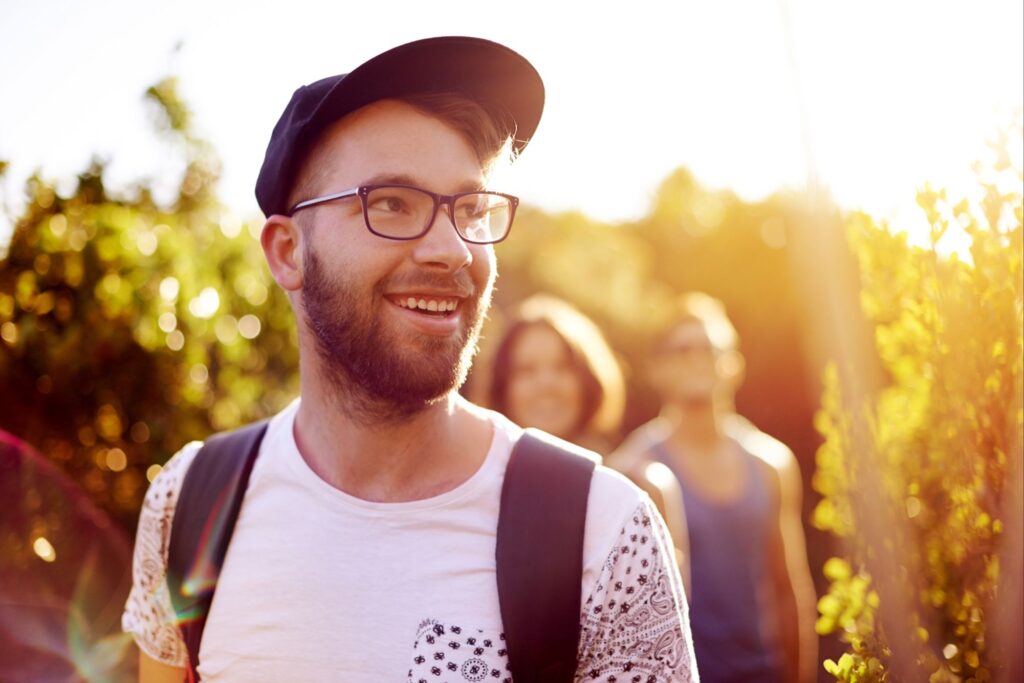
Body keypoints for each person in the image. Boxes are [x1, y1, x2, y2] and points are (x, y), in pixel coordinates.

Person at [122, 37, 698, 682]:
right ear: (287, 251)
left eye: (471, 209)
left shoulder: (604, 532)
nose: (452, 249)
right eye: (392, 202)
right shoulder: (189, 504)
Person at [610, 292, 816, 683]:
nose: (697, 359)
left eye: (710, 348)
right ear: (657, 369)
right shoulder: (630, 472)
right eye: (682, 349)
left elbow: (788, 589)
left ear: (733, 365)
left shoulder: (771, 464)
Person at [482, 293, 625, 453]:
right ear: (501, 386)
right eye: (527, 370)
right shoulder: (477, 476)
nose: (546, 383)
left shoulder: (620, 475)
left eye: (562, 367)